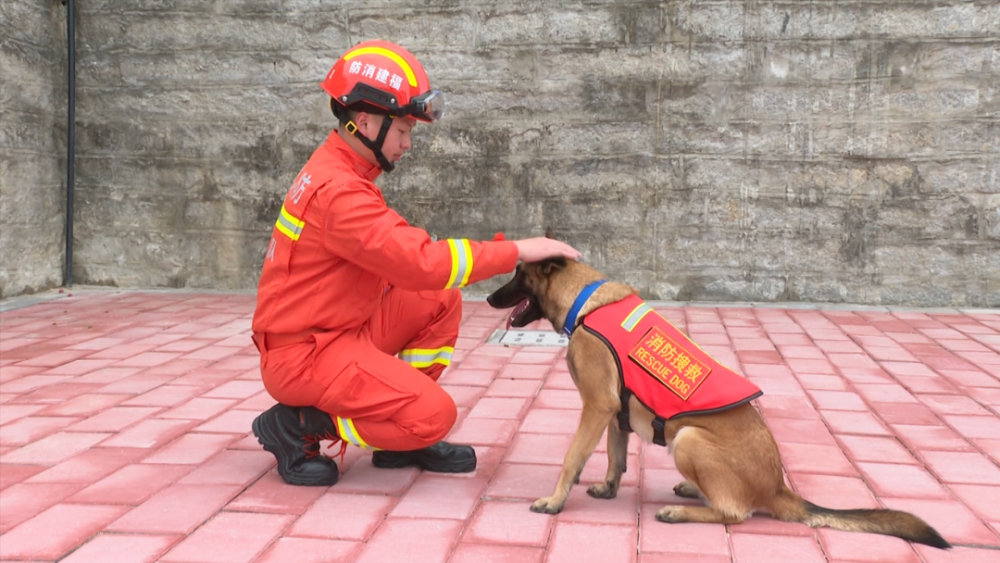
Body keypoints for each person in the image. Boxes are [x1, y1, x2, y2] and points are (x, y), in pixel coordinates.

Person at [250, 40, 580, 486]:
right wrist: (516, 251)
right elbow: (419, 262)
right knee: (434, 415)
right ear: (363, 123)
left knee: (438, 299)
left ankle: (394, 437)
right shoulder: (340, 192)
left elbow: (412, 267)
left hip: (334, 330)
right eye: (403, 130)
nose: (408, 144)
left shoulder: (343, 169)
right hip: (307, 353)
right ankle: (300, 425)